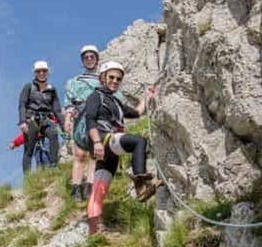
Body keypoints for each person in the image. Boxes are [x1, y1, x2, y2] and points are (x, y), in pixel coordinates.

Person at [84, 61, 159, 235]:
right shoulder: (96, 96)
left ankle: (94, 228)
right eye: (111, 77)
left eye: (118, 79)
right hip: (104, 140)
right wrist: (96, 142)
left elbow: (136, 113)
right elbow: (90, 120)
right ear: (103, 78)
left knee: (100, 188)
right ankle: (140, 183)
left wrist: (147, 97)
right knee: (138, 142)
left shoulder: (115, 102)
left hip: (109, 149)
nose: (115, 81)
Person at [64, 45, 102, 202]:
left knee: (94, 154)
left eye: (92, 56)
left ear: (97, 59)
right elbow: (70, 102)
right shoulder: (74, 82)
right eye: (86, 57)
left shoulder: (103, 80)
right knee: (79, 155)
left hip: (97, 118)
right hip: (80, 116)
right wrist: (67, 118)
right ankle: (76, 189)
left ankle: (89, 187)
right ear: (82, 61)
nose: (89, 59)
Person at [17, 61, 64, 173]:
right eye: (39, 71)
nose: (41, 73)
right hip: (31, 119)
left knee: (53, 134)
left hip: (45, 119)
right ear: (35, 73)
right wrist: (22, 122)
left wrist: (63, 124)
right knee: (29, 149)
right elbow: (22, 104)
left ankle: (53, 167)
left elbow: (57, 109)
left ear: (48, 72)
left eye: (44, 71)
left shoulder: (52, 90)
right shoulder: (29, 87)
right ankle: (28, 178)